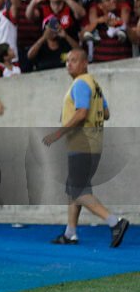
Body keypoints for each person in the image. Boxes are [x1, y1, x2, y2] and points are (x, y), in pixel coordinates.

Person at [43, 49, 129, 247]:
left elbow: (82, 113)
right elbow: (106, 113)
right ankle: (70, 232)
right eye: (68, 61)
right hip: (94, 143)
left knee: (78, 190)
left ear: (84, 63)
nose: (69, 64)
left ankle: (114, 222)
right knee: (75, 188)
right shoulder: (95, 84)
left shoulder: (81, 83)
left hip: (81, 143)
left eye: (74, 60)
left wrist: (59, 133)